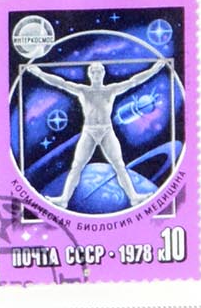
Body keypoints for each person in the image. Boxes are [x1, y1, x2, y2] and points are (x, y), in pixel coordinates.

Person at [30, 56, 168, 210]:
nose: (96, 74)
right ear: (89, 74)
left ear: (103, 73)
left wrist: (154, 69)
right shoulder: (83, 91)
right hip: (89, 131)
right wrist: (39, 73)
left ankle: (134, 197)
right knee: (77, 167)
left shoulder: (110, 90)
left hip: (106, 130)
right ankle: (63, 200)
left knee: (119, 166)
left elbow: (134, 81)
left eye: (99, 71)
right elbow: (60, 83)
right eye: (93, 71)